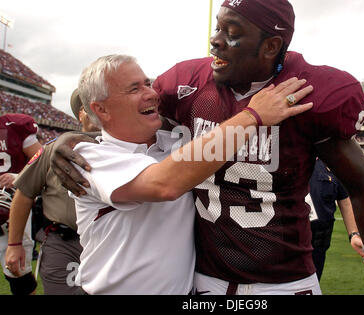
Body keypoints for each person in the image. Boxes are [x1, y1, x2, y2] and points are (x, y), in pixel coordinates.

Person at [51, 0, 364, 295]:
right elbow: (127, 124)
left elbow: (363, 184)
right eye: (217, 27)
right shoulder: (185, 87)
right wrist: (64, 140)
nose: (214, 41)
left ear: (270, 46)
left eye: (231, 31)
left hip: (285, 281)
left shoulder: (308, 93)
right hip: (205, 281)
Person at [63, 54, 312, 295]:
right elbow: (165, 184)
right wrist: (252, 115)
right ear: (102, 110)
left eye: (148, 83)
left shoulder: (175, 141)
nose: (151, 93)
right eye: (134, 89)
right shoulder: (88, 159)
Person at [5, 89, 100, 295]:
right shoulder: (52, 148)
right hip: (65, 240)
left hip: (110, 240)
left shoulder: (125, 146)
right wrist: (14, 244)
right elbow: (24, 193)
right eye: (85, 107)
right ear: (79, 114)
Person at [0, 113, 42, 295]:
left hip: (11, 206)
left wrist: (18, 177)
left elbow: (43, 161)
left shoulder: (12, 126)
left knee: (17, 273)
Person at [307, 159, 364, 281]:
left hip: (318, 244)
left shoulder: (332, 163)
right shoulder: (287, 157)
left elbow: (345, 201)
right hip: (287, 243)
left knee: (313, 283)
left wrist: (354, 234)